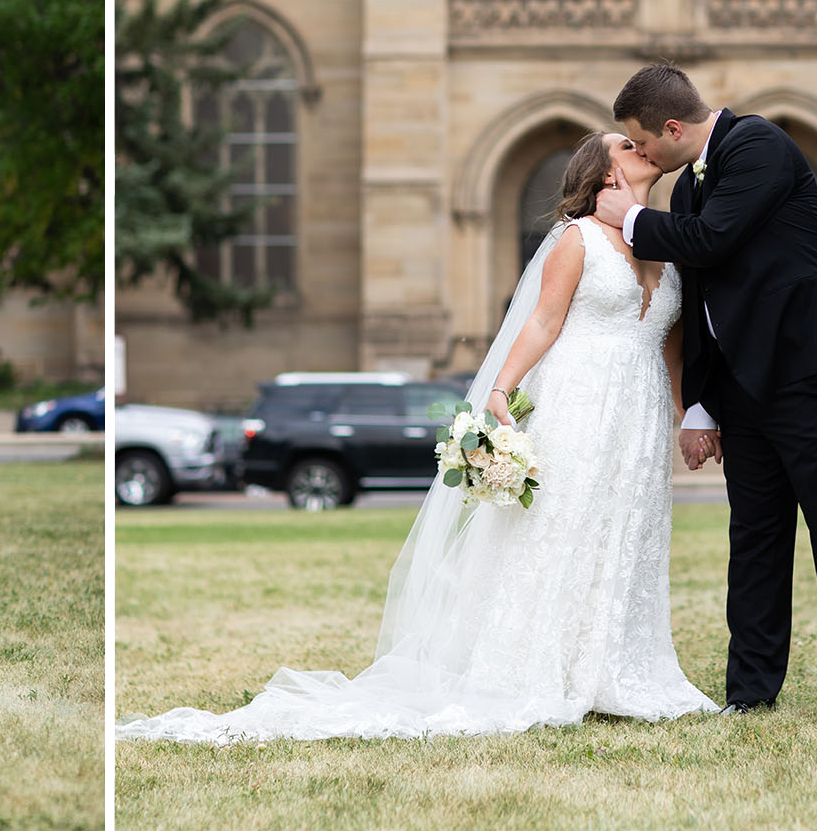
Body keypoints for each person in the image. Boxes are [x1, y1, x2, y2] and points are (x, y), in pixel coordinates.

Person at [117, 130, 717, 743]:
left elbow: (669, 345)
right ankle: (539, 666)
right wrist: (500, 388)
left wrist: (692, 414)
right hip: (580, 402)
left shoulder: (663, 243)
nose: (641, 145)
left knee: (626, 527)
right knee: (562, 526)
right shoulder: (579, 238)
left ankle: (613, 667)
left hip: (638, 417)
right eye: (625, 143)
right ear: (603, 170)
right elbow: (543, 321)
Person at [592, 61, 817, 719]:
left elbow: (712, 240)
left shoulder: (759, 144)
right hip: (745, 389)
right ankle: (751, 692)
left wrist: (629, 218)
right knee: (755, 542)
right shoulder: (686, 192)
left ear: (672, 129)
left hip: (814, 374)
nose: (641, 155)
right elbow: (700, 300)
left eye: (643, 144)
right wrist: (701, 403)